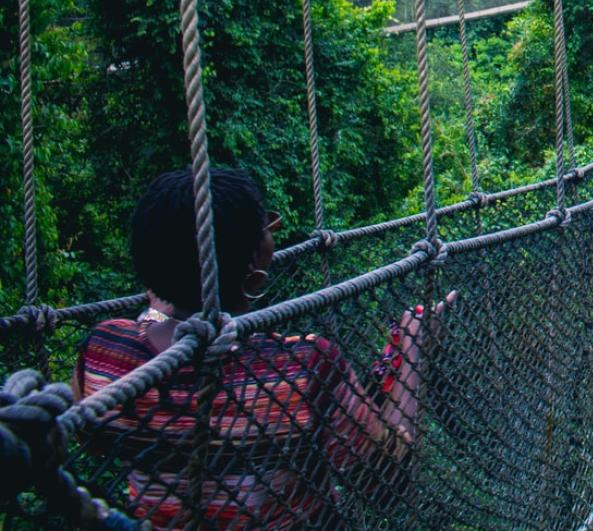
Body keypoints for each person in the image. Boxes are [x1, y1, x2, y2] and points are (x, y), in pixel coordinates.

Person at [74, 168, 446, 529]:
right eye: (264, 228)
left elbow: (93, 439)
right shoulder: (302, 368)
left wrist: (165, 296)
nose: (274, 233)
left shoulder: (106, 352)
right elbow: (385, 482)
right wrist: (414, 346)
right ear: (253, 265)